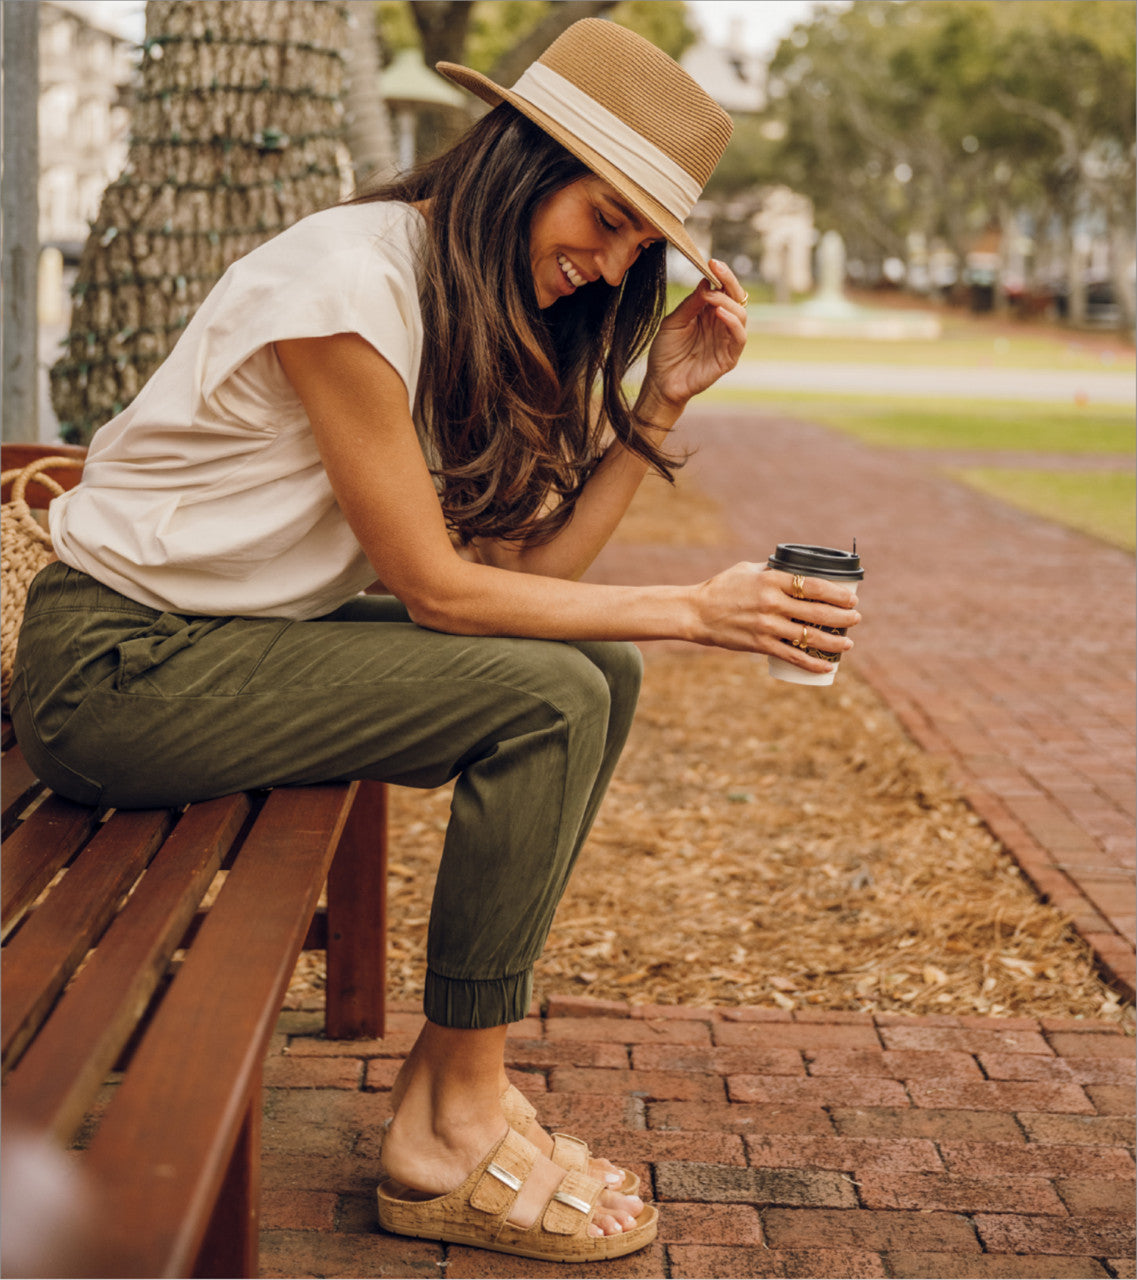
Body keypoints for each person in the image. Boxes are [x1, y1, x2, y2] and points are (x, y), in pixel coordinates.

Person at [11, 18, 860, 1264]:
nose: (613, 262)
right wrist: (695, 608)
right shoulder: (348, 287)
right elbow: (442, 595)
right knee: (560, 697)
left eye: (639, 242)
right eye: (605, 213)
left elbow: (522, 580)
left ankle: (452, 1086)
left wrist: (661, 399)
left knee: (592, 671)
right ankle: (448, 1122)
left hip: (217, 646)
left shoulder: (441, 292)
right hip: (118, 672)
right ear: (522, 159)